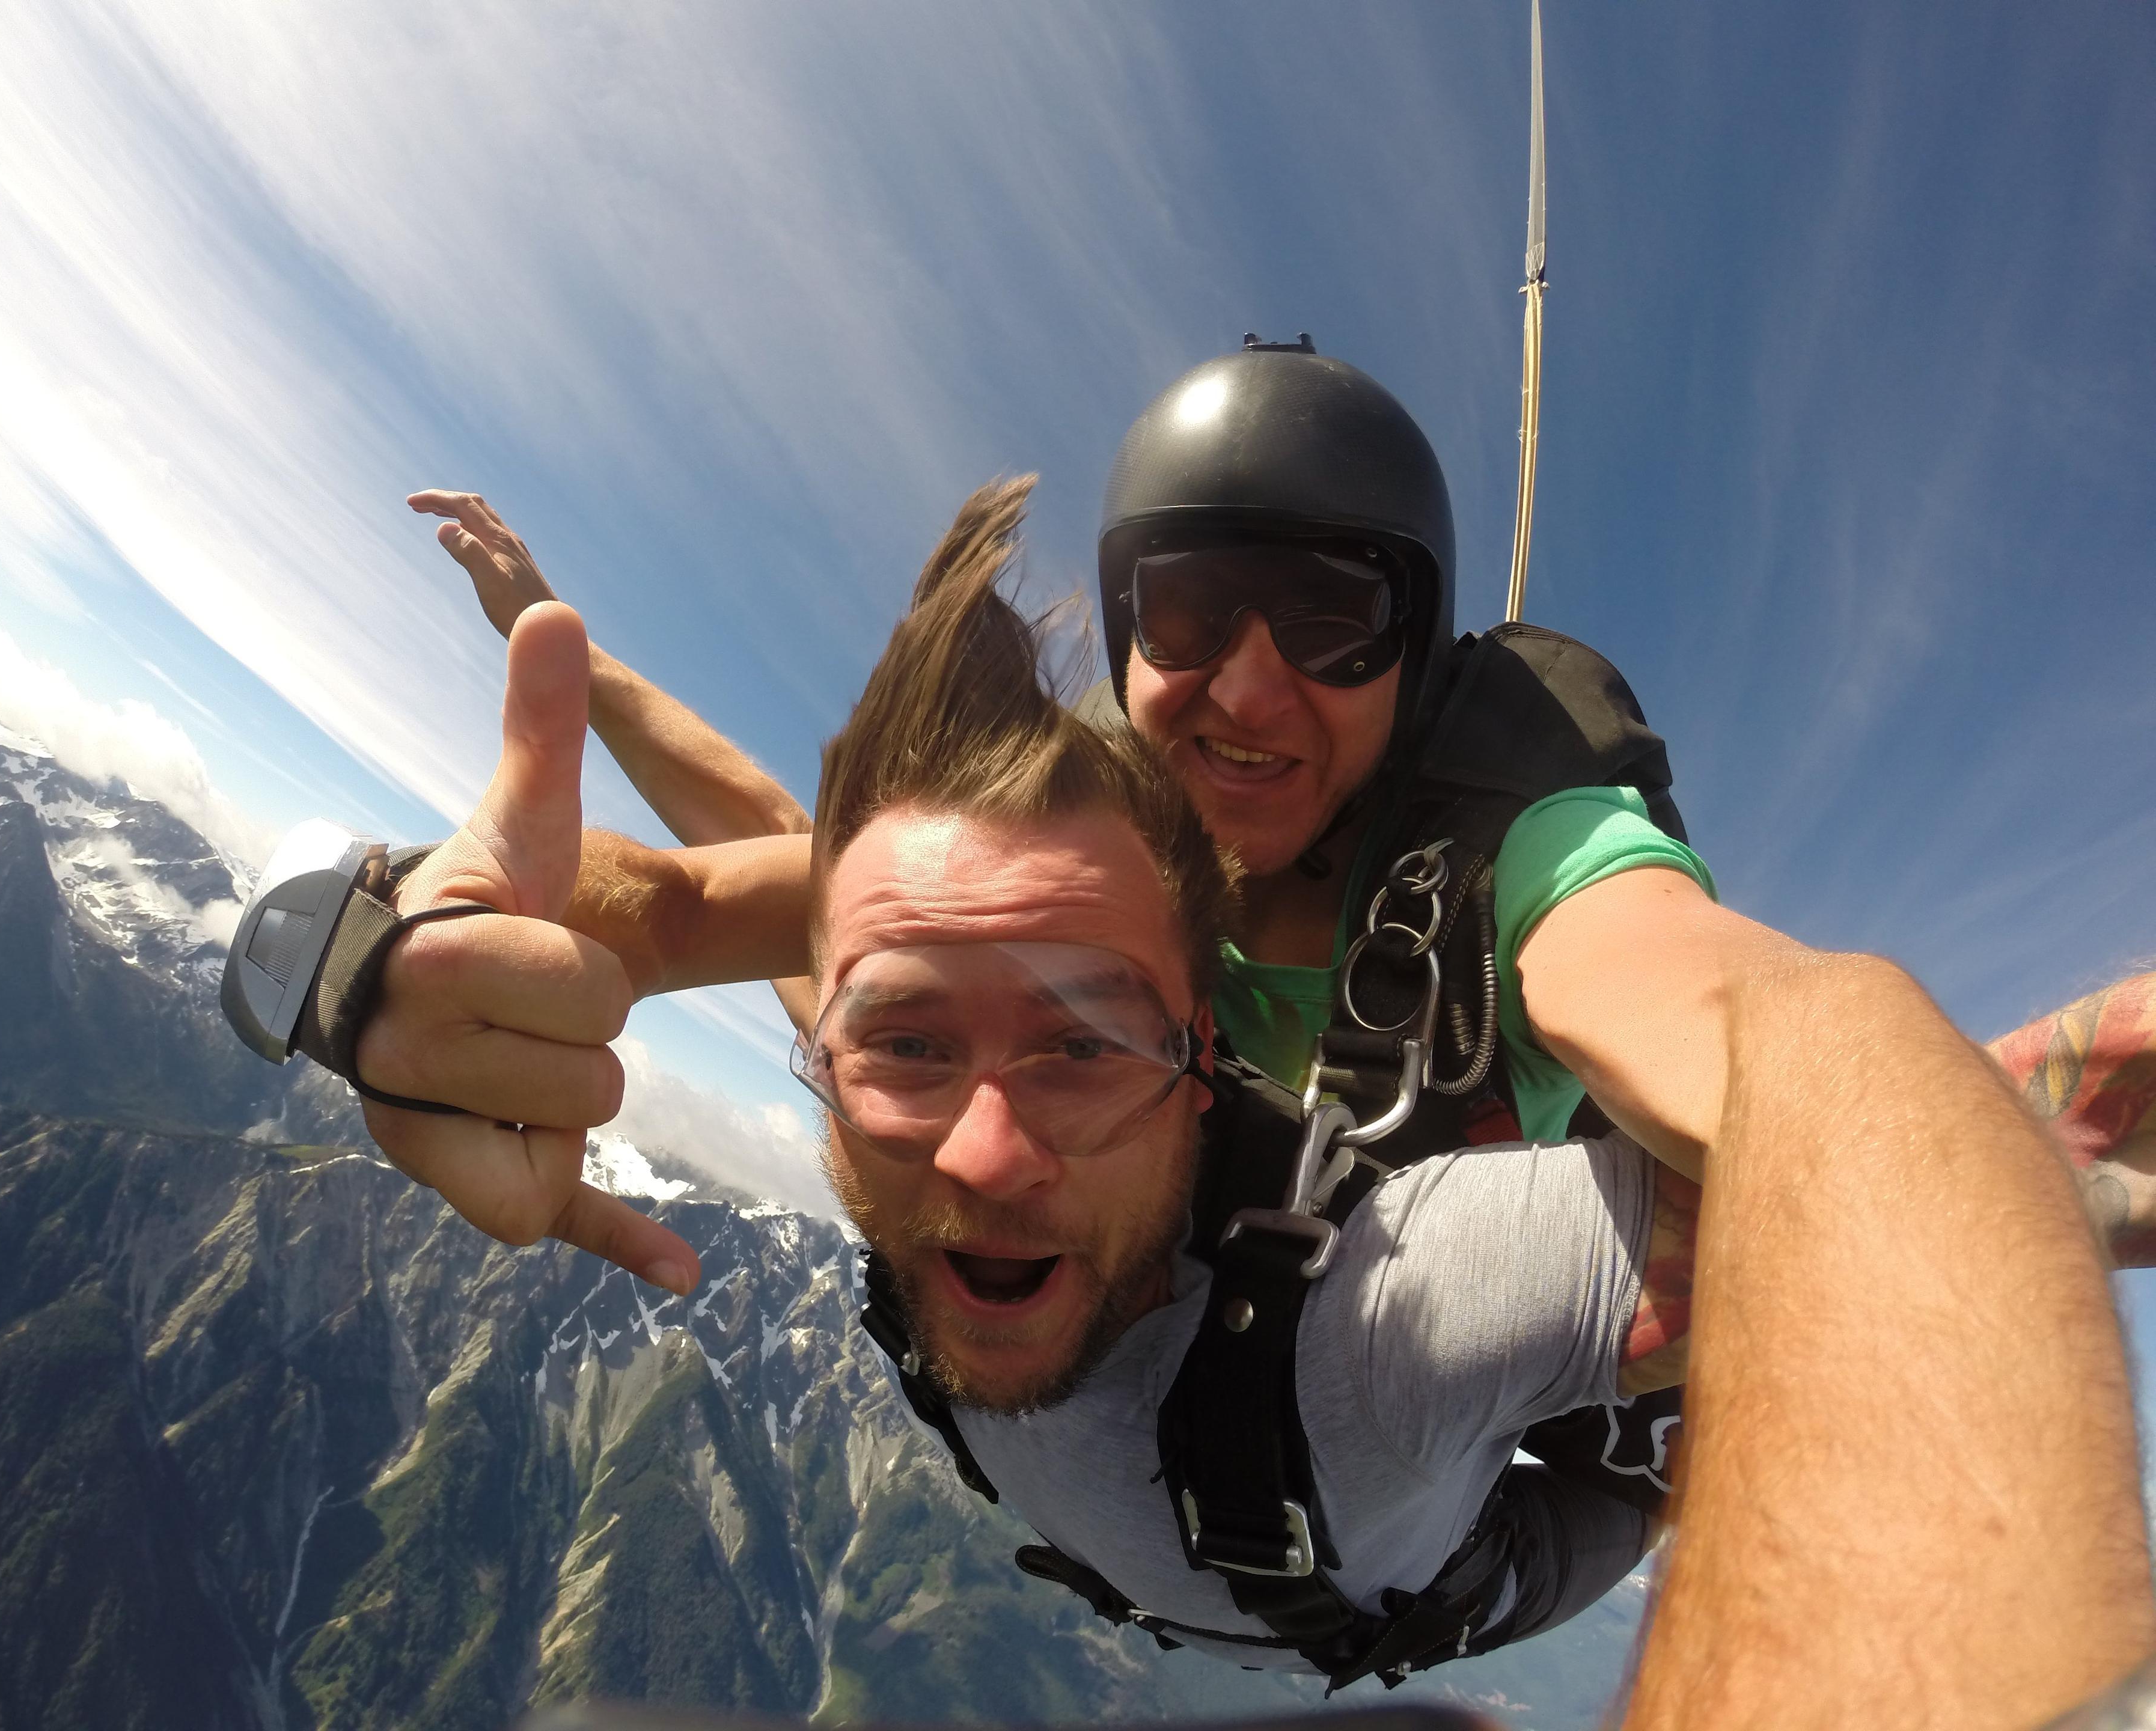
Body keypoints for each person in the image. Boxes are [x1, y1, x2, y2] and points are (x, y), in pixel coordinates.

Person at [319, 481, 2152, 1724]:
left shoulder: (1397, 1309)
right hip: (1247, 1546)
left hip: (1450, 1551)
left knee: (1636, 1443)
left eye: (1085, 1042)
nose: (982, 1146)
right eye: (902, 1040)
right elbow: (768, 844)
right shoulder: (906, 1066)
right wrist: (361, 963)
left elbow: (1882, 1138)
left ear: (1216, 1055)